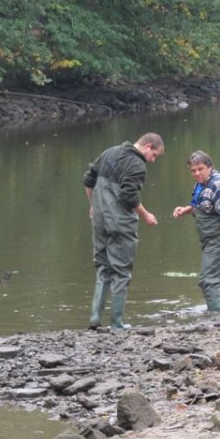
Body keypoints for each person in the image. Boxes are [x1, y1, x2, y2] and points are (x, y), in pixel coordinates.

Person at [83, 133, 164, 330]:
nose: (153, 160)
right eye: (155, 155)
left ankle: (95, 319)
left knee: (103, 267)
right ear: (148, 146)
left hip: (99, 220)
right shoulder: (137, 164)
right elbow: (129, 197)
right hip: (120, 223)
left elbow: (88, 180)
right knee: (121, 271)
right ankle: (117, 323)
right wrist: (146, 215)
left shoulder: (109, 152)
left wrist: (93, 204)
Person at [172, 150, 220, 312]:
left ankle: (218, 317)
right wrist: (186, 210)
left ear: (210, 167)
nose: (197, 173)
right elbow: (202, 207)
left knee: (209, 280)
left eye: (201, 169)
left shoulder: (218, 185)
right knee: (210, 280)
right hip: (210, 241)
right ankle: (219, 312)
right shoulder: (201, 185)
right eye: (193, 170)